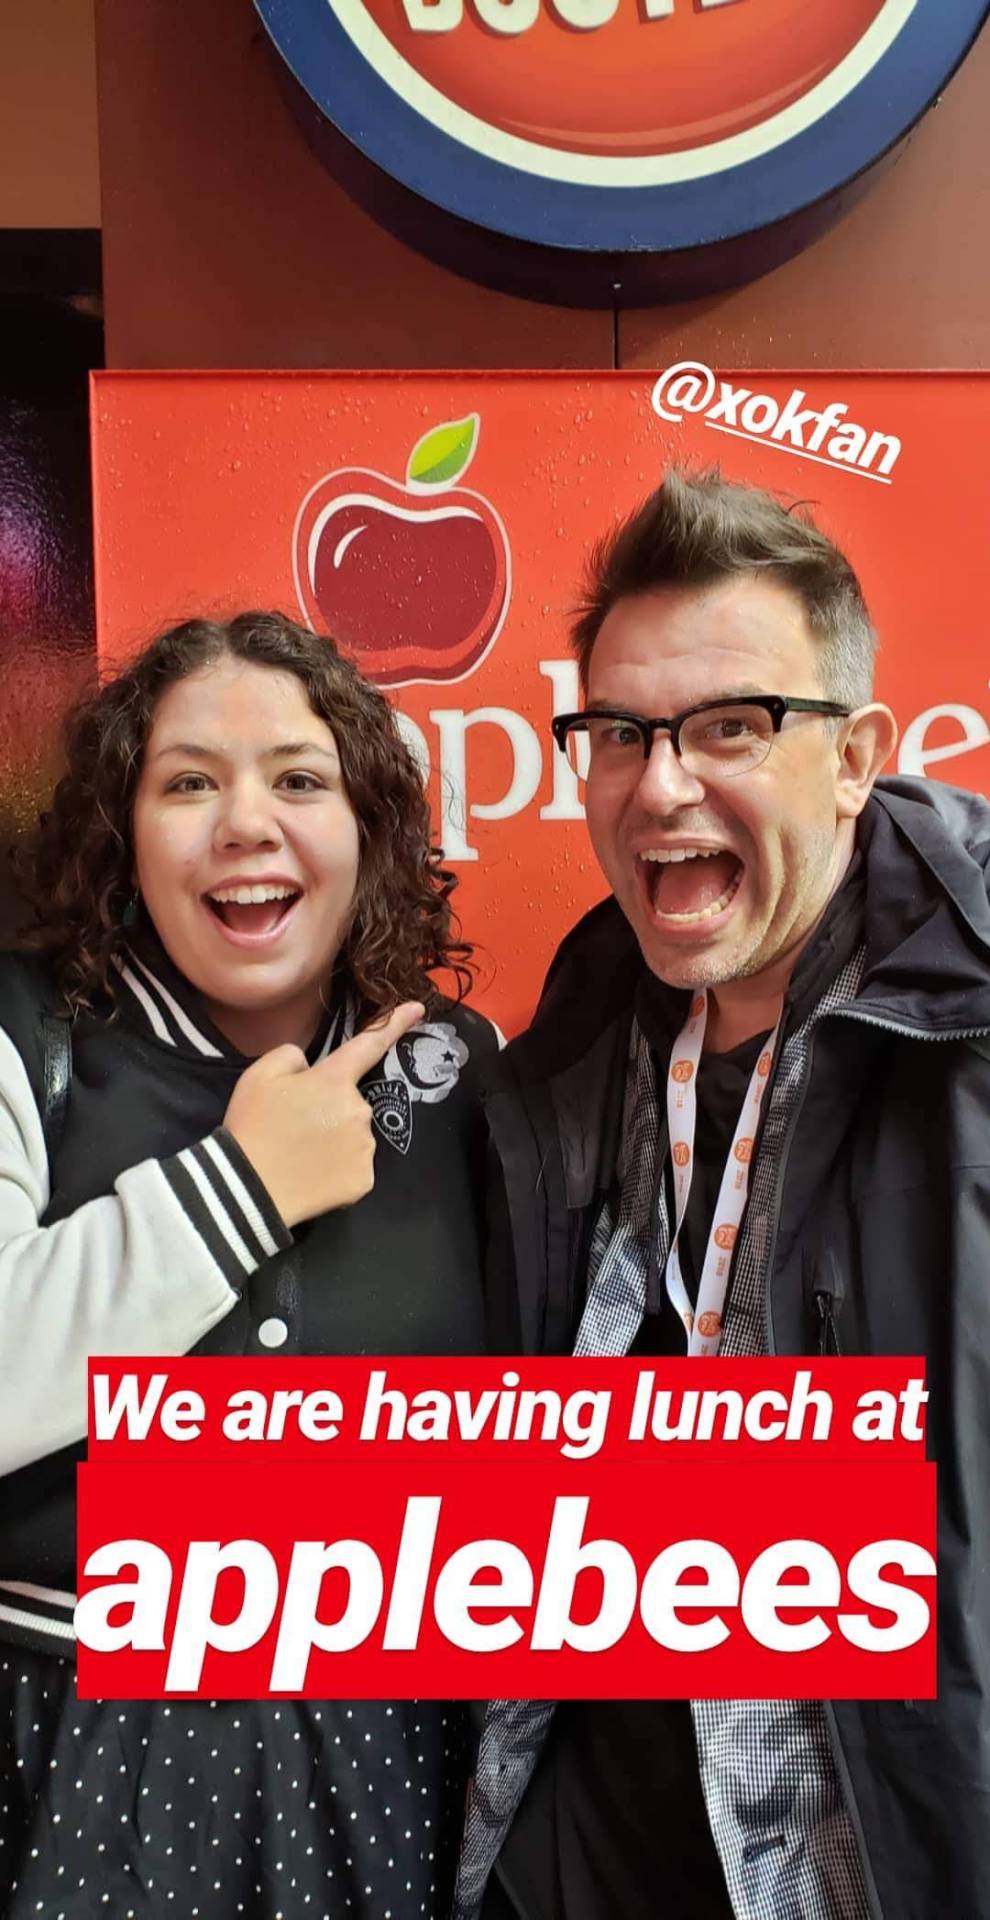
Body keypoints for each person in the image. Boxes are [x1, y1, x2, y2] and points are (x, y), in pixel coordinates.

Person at [456, 470, 990, 1920]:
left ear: (854, 753)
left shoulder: (973, 1037)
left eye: (731, 726)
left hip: (879, 1858)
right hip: (587, 1846)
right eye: (618, 731)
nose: (660, 780)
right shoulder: (567, 1047)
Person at [0, 609, 497, 1919]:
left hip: (395, 1749)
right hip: (67, 1741)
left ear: (368, 830)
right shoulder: (25, 1034)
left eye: (297, 778)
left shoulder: (473, 1077)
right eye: (186, 783)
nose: (242, 826)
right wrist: (240, 1189)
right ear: (121, 835)